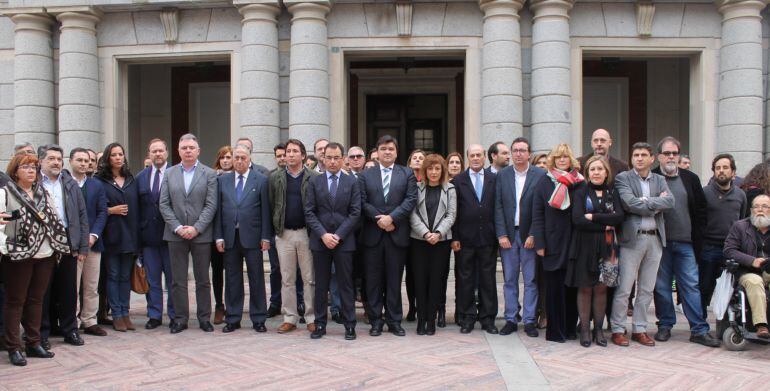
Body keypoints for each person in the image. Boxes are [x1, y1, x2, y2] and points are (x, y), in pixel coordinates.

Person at [1, 153, 70, 366]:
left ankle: (33, 342)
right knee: (15, 300)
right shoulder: (5, 193)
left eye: (33, 167)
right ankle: (14, 347)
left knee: (36, 300)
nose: (31, 170)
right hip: (18, 255)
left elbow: (55, 220)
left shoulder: (43, 193)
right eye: (25, 167)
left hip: (45, 253)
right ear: (15, 171)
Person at [651, 137, 720, 347]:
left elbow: (701, 210)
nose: (671, 157)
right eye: (667, 153)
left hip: (686, 243)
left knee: (690, 285)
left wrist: (699, 236)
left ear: (679, 155)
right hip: (660, 243)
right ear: (659, 156)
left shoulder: (690, 178)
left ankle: (699, 329)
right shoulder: (651, 177)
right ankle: (665, 325)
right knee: (662, 287)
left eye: (674, 153)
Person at [610, 142, 674, 347]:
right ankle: (618, 329)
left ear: (651, 158)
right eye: (635, 154)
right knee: (625, 288)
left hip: (655, 238)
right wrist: (656, 203)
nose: (639, 158)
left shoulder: (660, 179)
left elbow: (670, 202)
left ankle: (639, 328)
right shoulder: (623, 178)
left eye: (643, 155)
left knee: (646, 289)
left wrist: (645, 202)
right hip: (632, 239)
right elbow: (629, 203)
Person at [159, 133, 218, 334]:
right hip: (175, 234)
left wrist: (196, 228)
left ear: (198, 151)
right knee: (177, 280)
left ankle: (204, 318)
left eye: (192, 147)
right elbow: (164, 204)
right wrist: (177, 227)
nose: (188, 151)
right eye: (184, 148)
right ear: (178, 151)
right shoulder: (169, 173)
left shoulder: (209, 174)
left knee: (203, 279)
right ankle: (180, 319)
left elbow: (211, 205)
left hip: (201, 235)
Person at [359, 135, 417, 336]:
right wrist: (379, 219)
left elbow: (410, 200)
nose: (387, 152)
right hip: (372, 235)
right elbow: (362, 202)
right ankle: (376, 321)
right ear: (377, 151)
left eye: (391, 149)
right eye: (383, 149)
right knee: (373, 280)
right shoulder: (366, 175)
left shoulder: (407, 173)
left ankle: (394, 320)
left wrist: (391, 219)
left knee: (394, 280)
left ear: (396, 152)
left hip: (396, 234)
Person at [566, 156, 624, 347]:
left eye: (600, 169)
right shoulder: (581, 192)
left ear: (606, 172)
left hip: (608, 246)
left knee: (602, 288)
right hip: (585, 245)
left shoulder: (612, 192)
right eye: (592, 169)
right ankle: (584, 330)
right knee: (585, 287)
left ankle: (598, 330)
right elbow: (578, 220)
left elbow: (618, 217)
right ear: (587, 173)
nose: (596, 172)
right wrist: (604, 224)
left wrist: (594, 216)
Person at [304, 142, 361, 340]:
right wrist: (323, 235)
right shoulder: (314, 181)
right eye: (329, 157)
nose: (333, 161)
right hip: (320, 241)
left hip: (344, 242)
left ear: (343, 158)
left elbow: (355, 212)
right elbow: (309, 212)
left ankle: (349, 324)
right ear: (323, 158)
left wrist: (338, 235)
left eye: (337, 157)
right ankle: (320, 324)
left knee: (345, 284)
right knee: (321, 285)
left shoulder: (351, 182)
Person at [214, 144, 271, 333]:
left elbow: (265, 211)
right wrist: (219, 237)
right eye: (236, 158)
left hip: (253, 237)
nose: (238, 161)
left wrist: (265, 237)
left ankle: (258, 318)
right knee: (232, 279)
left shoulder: (261, 180)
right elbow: (219, 212)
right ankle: (233, 318)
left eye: (242, 158)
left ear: (249, 159)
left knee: (256, 278)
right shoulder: (223, 180)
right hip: (230, 237)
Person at [531, 143, 583, 343]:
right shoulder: (544, 182)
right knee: (554, 288)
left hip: (575, 240)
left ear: (571, 159)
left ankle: (570, 329)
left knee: (572, 288)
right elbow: (537, 214)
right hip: (552, 242)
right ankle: (556, 331)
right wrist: (540, 244)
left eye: (565, 157)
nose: (562, 160)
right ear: (553, 159)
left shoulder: (579, 182)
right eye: (559, 157)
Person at [39, 144, 90, 348]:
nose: (56, 162)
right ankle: (42, 334)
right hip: (44, 241)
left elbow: (82, 216)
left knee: (69, 290)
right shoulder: (35, 184)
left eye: (59, 159)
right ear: (41, 161)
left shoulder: (70, 184)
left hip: (69, 241)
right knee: (43, 291)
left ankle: (70, 330)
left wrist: (83, 246)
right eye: (51, 158)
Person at [495, 137, 545, 338]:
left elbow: (540, 208)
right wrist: (501, 234)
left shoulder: (540, 175)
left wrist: (534, 233)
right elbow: (497, 206)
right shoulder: (503, 175)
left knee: (531, 279)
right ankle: (510, 318)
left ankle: (530, 320)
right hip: (508, 234)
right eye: (514, 150)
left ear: (529, 154)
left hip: (529, 236)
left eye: (522, 150)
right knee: (509, 279)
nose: (518, 154)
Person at [269, 139, 319, 334]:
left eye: (294, 151)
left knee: (309, 278)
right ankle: (290, 317)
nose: (290, 154)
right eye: (288, 151)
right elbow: (272, 205)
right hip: (284, 235)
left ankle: (311, 317)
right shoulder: (275, 178)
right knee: (287, 278)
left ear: (303, 155)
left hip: (307, 234)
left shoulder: (313, 177)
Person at [451, 144, 498, 334]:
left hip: (488, 237)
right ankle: (467, 317)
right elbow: (453, 212)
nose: (476, 158)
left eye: (479, 155)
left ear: (485, 157)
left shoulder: (495, 179)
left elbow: (499, 207)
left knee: (488, 279)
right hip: (465, 238)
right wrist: (454, 237)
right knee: (465, 279)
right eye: (473, 155)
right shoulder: (458, 180)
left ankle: (488, 318)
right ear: (468, 157)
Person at [94, 143, 140, 333]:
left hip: (130, 235)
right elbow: (93, 208)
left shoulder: (131, 179)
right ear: (108, 158)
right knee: (113, 275)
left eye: (121, 154)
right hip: (111, 235)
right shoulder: (99, 180)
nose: (118, 158)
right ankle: (116, 315)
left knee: (124, 277)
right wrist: (110, 210)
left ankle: (125, 312)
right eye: (114, 155)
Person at [409, 154, 456, 335]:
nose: (434, 172)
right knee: (420, 281)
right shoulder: (416, 188)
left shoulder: (450, 189)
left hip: (441, 242)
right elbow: (412, 214)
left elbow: (451, 215)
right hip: (419, 241)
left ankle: (431, 320)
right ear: (425, 171)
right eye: (430, 169)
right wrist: (425, 233)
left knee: (436, 281)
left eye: (437, 169)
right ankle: (421, 319)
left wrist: (437, 233)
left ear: (442, 170)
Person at [700, 153, 748, 320]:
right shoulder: (704, 193)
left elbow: (742, 221)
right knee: (705, 286)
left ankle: (728, 322)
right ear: (714, 172)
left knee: (732, 287)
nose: (721, 171)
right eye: (718, 168)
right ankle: (701, 323)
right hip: (709, 248)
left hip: (732, 249)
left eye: (725, 167)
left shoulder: (741, 195)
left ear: (733, 172)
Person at [135, 139, 175, 329]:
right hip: (148, 237)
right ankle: (154, 315)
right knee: (152, 279)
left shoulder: (176, 174)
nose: (157, 154)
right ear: (149, 154)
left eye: (160, 151)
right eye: (154, 151)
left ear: (167, 153)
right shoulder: (140, 177)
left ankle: (175, 315)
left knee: (173, 279)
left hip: (171, 237)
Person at [69, 148, 108, 337]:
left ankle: (90, 320)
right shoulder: (64, 184)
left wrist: (94, 235)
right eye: (80, 160)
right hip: (73, 244)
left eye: (87, 160)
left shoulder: (96, 185)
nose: (84, 163)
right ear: (71, 162)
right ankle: (72, 322)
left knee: (92, 285)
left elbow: (102, 212)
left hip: (93, 243)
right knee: (73, 285)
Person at [723, 194, 770, 338]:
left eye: (764, 206)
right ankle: (761, 325)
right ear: (751, 210)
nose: (759, 210)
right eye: (756, 207)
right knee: (754, 282)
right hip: (747, 272)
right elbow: (729, 250)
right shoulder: (740, 226)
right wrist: (752, 261)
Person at [210, 145, 234, 325]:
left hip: (234, 231)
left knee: (233, 271)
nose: (226, 160)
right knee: (217, 270)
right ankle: (219, 305)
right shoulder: (212, 178)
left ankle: (233, 305)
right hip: (215, 232)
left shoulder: (239, 178)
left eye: (229, 157)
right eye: (223, 157)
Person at [405, 148, 426, 322]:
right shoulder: (404, 179)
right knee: (410, 274)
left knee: (422, 273)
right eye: (415, 158)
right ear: (409, 162)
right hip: (406, 233)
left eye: (421, 158)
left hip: (424, 234)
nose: (418, 160)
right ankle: (412, 307)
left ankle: (424, 305)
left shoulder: (429, 181)